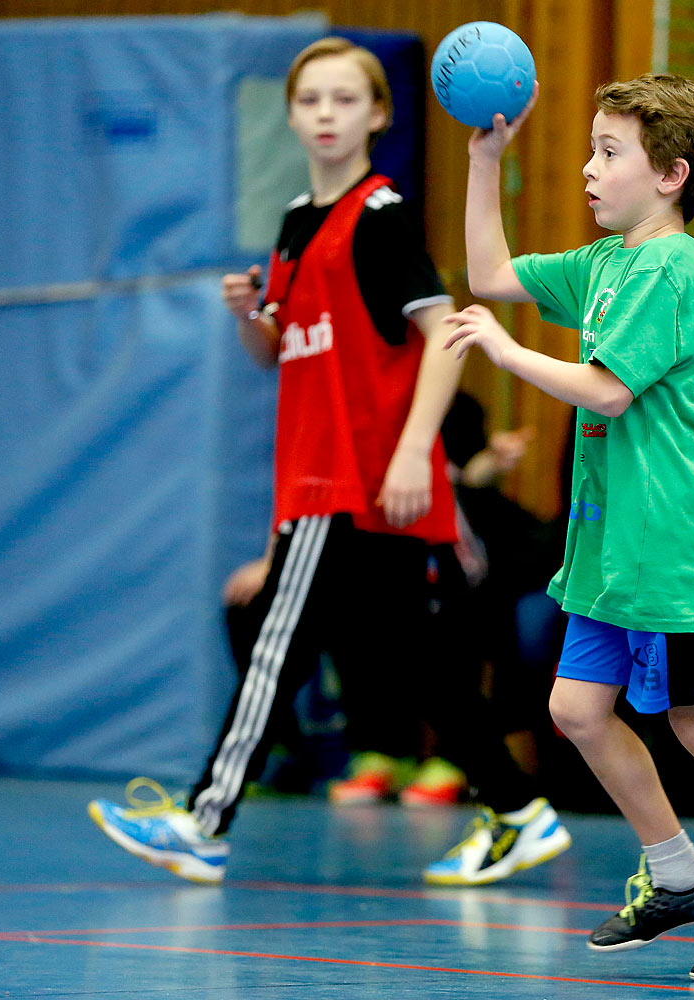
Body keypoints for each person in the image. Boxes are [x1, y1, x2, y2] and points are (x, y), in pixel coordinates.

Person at [87, 37, 569, 887]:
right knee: (413, 663)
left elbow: (445, 337)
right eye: (311, 100)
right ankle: (518, 811)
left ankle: (203, 822)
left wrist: (418, 447)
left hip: (351, 481)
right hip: (323, 478)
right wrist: (249, 314)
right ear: (293, 114)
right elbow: (276, 353)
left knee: (275, 646)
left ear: (379, 115)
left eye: (346, 100)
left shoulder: (379, 219)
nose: (325, 114)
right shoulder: (293, 226)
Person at [443, 73, 694, 984]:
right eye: (589, 147)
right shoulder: (609, 263)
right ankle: (678, 877)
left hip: (676, 534)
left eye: (607, 152)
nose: (587, 168)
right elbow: (492, 276)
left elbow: (611, 391)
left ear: (672, 174)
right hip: (611, 539)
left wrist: (507, 352)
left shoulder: (672, 266)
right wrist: (483, 162)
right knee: (575, 710)